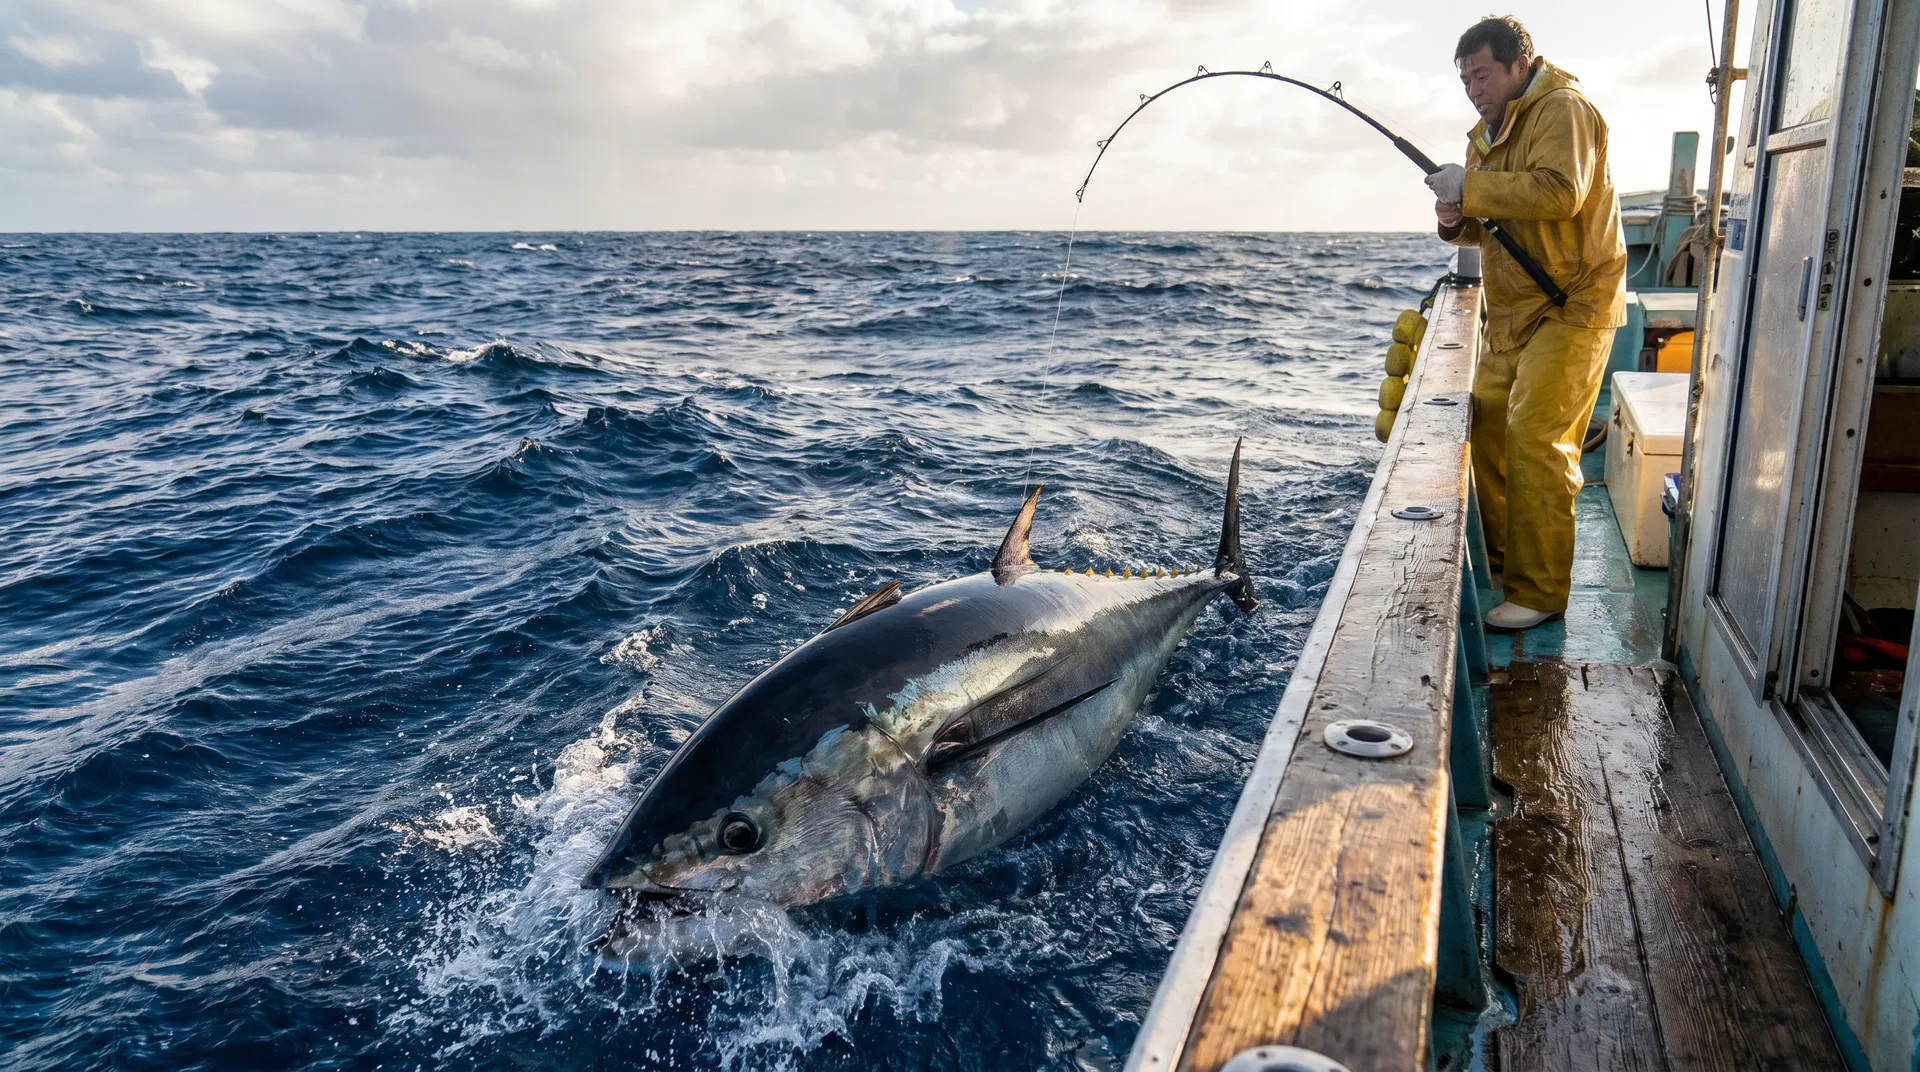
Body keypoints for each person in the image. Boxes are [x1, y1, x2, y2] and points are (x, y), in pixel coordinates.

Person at [1427, 15, 1626, 632]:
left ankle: (1540, 591)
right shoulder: (1485, 135)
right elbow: (1485, 225)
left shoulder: (1564, 109)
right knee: (1486, 426)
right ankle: (1504, 564)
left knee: (1537, 436)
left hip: (1574, 304)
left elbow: (1561, 193)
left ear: (1521, 64)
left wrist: (1473, 187)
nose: (1474, 90)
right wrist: (1453, 216)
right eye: (1465, 80)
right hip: (1513, 312)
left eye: (1483, 75)